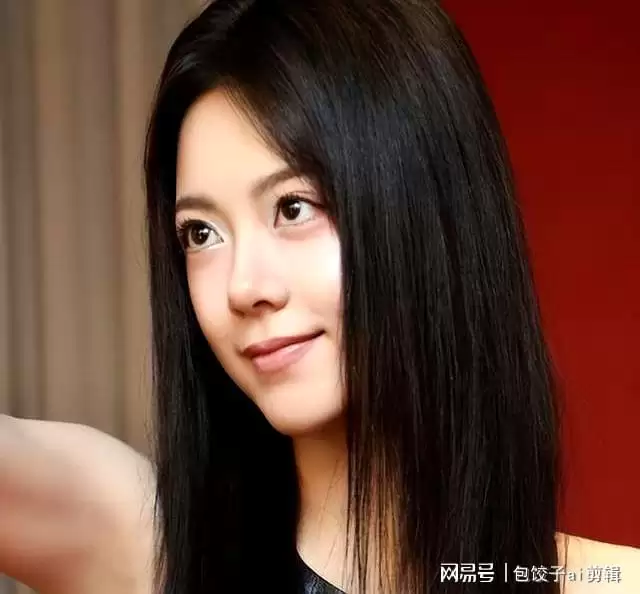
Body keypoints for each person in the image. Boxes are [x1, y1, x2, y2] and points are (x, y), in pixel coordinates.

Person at [1, 0, 639, 592]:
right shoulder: (149, 545)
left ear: (426, 210)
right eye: (201, 233)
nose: (244, 286)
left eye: (292, 207)